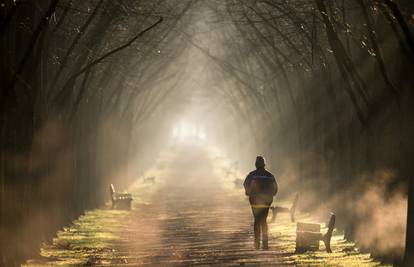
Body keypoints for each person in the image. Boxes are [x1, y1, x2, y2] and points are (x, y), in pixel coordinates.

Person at [243, 156, 278, 249]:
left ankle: (257, 243)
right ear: (264, 164)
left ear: (255, 164)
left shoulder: (251, 175)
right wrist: (271, 196)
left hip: (254, 202)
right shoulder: (270, 175)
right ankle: (265, 244)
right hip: (266, 202)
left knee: (257, 220)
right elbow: (275, 188)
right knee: (264, 221)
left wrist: (248, 193)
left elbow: (245, 184)